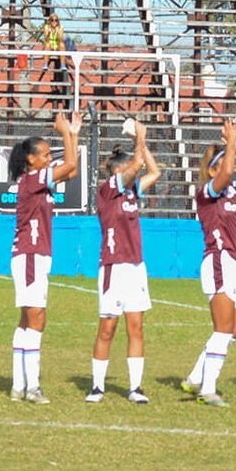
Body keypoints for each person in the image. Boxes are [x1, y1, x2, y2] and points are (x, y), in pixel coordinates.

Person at [180, 119, 236, 407]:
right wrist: (230, 147)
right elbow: (227, 171)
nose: (229, 170)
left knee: (234, 330)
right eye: (221, 166)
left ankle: (193, 378)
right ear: (212, 171)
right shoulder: (207, 193)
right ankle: (207, 389)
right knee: (223, 329)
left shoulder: (233, 191)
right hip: (219, 259)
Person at [85, 119, 161, 404]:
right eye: (126, 170)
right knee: (107, 328)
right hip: (113, 267)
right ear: (116, 173)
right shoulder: (107, 192)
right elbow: (138, 165)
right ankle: (97, 386)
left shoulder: (131, 192)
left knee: (136, 326)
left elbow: (153, 170)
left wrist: (141, 143)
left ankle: (135, 387)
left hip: (135, 267)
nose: (130, 173)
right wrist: (138, 138)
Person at [9, 110, 82, 404]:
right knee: (36, 320)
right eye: (45, 154)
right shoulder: (32, 179)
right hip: (30, 254)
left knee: (29, 320)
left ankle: (19, 386)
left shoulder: (39, 179)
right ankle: (32, 387)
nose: (49, 158)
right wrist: (66, 133)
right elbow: (71, 164)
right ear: (31, 159)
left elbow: (72, 171)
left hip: (34, 255)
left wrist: (73, 133)